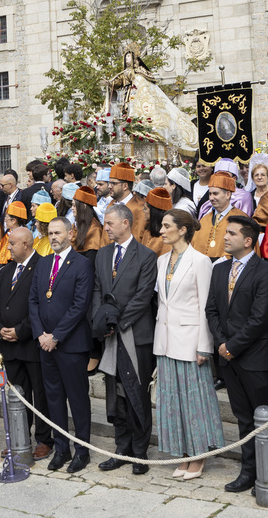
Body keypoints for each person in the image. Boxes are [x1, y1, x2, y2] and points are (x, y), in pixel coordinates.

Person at [206, 215, 268, 493]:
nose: (225, 238)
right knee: (243, 417)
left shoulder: (265, 272)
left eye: (232, 234)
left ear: (248, 241)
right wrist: (221, 343)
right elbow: (211, 310)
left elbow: (261, 317)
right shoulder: (219, 269)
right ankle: (248, 471)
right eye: (226, 233)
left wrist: (233, 346)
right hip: (227, 356)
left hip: (255, 355)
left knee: (265, 415)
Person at [153, 208, 223, 479]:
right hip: (165, 340)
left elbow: (206, 305)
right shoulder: (161, 261)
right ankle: (182, 453)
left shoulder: (201, 261)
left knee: (195, 401)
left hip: (191, 340)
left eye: (167, 226)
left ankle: (200, 455)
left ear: (182, 230)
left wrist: (204, 345)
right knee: (171, 401)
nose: (161, 230)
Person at [89, 203, 156, 475]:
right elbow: (97, 290)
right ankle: (121, 449)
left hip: (135, 336)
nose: (106, 228)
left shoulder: (146, 256)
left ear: (126, 223)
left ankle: (140, 452)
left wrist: (119, 321)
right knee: (115, 396)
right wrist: (100, 320)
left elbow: (143, 296)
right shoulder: (103, 254)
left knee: (136, 393)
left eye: (110, 223)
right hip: (110, 337)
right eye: (105, 223)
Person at [30, 217, 94, 473]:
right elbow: (33, 301)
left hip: (70, 345)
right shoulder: (43, 263)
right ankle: (61, 448)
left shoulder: (82, 264)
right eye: (50, 233)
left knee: (77, 399)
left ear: (70, 234)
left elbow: (80, 305)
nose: (53, 237)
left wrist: (55, 336)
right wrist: (41, 335)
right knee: (53, 398)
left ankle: (82, 450)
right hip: (45, 345)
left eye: (58, 233)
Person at [0, 227, 53, 461]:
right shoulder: (7, 270)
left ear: (26, 244)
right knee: (18, 395)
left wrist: (21, 331)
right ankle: (20, 438)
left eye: (12, 243)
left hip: (31, 344)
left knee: (40, 394)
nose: (8, 247)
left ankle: (44, 440)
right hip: (9, 346)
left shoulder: (42, 266)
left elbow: (40, 307)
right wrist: (0, 328)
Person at [191, 171, 246, 258]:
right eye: (210, 194)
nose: (211, 198)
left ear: (228, 194)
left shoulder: (241, 219)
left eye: (215, 194)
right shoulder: (204, 220)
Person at [109, 162, 148, 239]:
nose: (109, 186)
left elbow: (139, 239)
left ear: (125, 186)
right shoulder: (110, 205)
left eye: (113, 183)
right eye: (109, 183)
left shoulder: (140, 208)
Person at [72, 185, 109, 258]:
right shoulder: (75, 225)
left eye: (74, 205)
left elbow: (92, 258)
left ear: (84, 206)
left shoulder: (95, 229)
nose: (72, 208)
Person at [140, 187, 172, 255]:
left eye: (145, 209)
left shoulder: (167, 238)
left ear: (153, 212)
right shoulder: (147, 229)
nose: (143, 211)